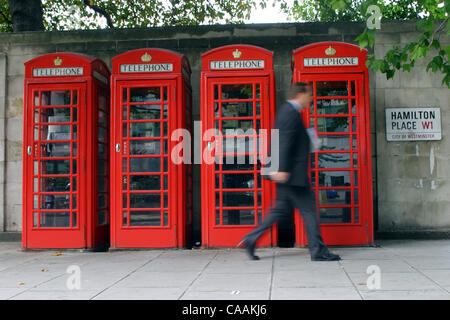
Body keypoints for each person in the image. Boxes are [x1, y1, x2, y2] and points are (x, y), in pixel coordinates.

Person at [238, 82, 341, 261]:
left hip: (289, 174)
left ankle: (252, 238)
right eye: (308, 94)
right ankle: (318, 251)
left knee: (279, 211)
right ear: (300, 94)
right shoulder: (289, 112)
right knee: (309, 212)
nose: (310, 98)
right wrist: (281, 169)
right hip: (292, 175)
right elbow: (283, 141)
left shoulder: (290, 111)